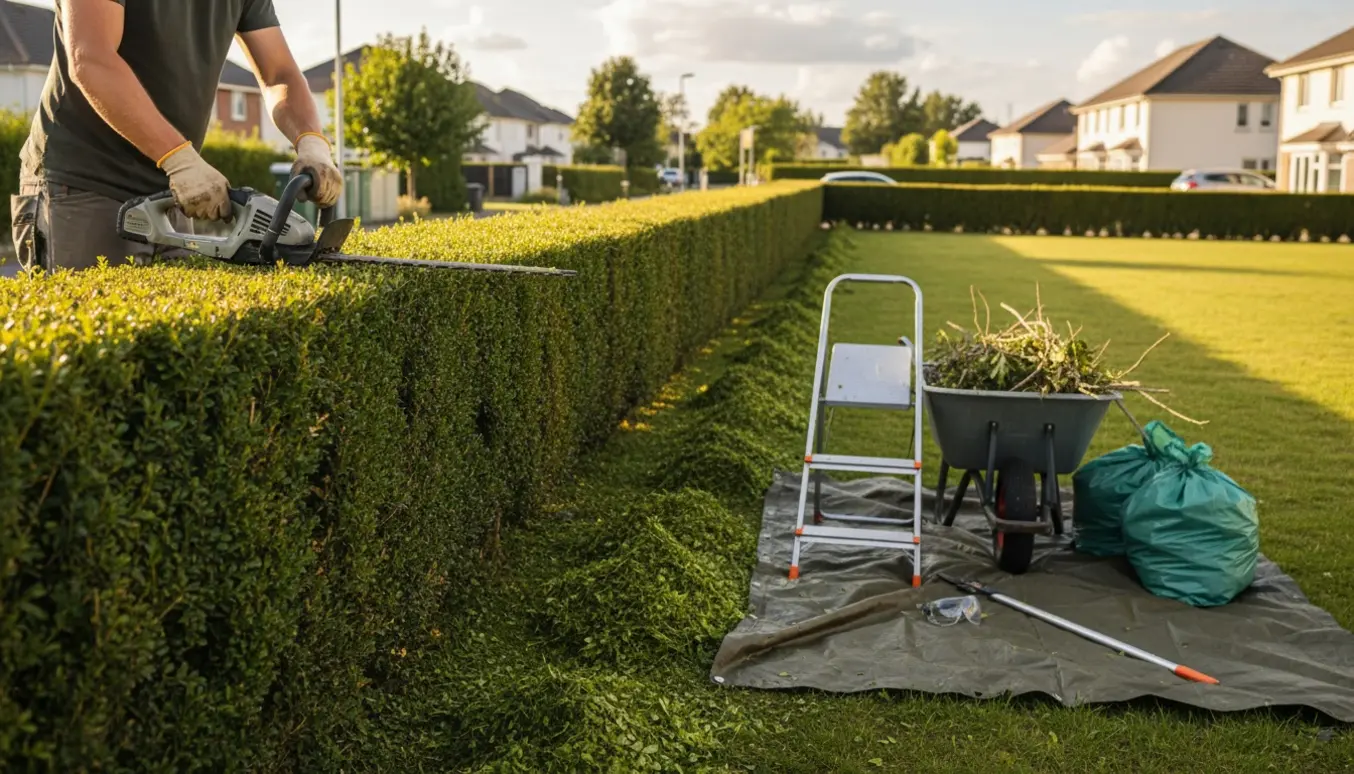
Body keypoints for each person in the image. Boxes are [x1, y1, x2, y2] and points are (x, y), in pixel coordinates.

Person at [12, 0, 344, 273]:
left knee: (177, 347)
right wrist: (180, 159)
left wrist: (312, 142)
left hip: (175, 195)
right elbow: (92, 58)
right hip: (86, 184)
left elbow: (279, 73)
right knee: (96, 347)